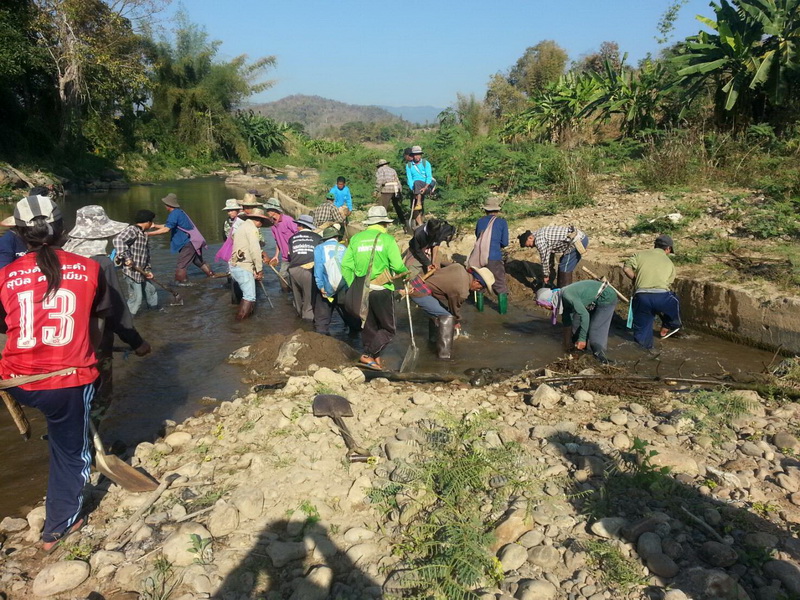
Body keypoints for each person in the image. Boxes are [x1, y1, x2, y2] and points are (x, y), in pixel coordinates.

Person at [0, 195, 113, 552]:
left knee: (57, 417)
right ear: (63, 230)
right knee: (71, 450)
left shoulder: (5, 275)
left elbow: (6, 326)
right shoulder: (90, 268)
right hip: (68, 379)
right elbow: (99, 322)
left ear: (20, 234)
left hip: (17, 380)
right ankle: (59, 526)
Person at [64, 205, 151, 407]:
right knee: (100, 394)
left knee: (68, 393)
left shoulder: (59, 256)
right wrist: (136, 342)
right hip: (92, 340)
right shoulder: (101, 263)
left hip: (61, 339)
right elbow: (115, 310)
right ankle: (89, 426)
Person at [341, 206, 408, 370]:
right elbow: (397, 266)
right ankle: (368, 355)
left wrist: (355, 285)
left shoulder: (356, 239)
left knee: (369, 327)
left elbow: (346, 266)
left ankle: (373, 361)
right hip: (381, 290)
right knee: (388, 329)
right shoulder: (387, 239)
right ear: (384, 223)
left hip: (362, 290)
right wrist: (406, 274)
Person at [408, 264, 494, 359]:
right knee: (447, 317)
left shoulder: (459, 267)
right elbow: (454, 308)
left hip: (417, 283)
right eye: (480, 288)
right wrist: (456, 321)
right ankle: (444, 355)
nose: (478, 290)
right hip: (419, 292)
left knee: (441, 311)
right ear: (477, 281)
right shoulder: (462, 292)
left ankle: (433, 341)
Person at [623, 234, 682, 349]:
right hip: (662, 298)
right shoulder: (669, 263)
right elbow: (668, 283)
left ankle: (643, 351)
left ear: (655, 245)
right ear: (668, 249)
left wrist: (635, 279)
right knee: (675, 302)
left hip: (642, 297)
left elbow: (626, 268)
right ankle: (669, 325)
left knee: (642, 332)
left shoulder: (639, 255)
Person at [150, 193, 214, 284]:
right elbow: (169, 225)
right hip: (194, 241)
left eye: (165, 204)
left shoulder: (174, 214)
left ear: (168, 205)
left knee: (181, 266)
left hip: (188, 243)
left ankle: (182, 285)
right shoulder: (179, 212)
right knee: (198, 261)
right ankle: (211, 275)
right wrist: (155, 226)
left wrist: (148, 234)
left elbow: (166, 229)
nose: (164, 206)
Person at [313, 225, 360, 336]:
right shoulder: (344, 248)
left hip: (327, 286)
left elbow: (318, 268)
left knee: (322, 317)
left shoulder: (319, 248)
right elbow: (350, 268)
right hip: (343, 286)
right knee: (349, 313)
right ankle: (354, 337)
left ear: (325, 238)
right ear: (337, 237)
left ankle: (321, 338)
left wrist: (320, 285)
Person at [559, 279, 618, 364]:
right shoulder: (562, 297)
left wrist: (582, 339)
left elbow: (585, 315)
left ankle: (602, 359)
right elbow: (567, 317)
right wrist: (566, 343)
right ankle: (581, 351)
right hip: (592, 300)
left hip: (606, 297)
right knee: (576, 323)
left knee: (595, 330)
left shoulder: (567, 296)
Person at [113, 210, 159, 316]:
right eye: (151, 222)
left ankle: (154, 313)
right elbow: (118, 240)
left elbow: (146, 254)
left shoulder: (144, 234)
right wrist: (127, 257)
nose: (152, 225)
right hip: (132, 272)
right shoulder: (132, 230)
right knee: (137, 298)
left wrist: (148, 270)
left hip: (142, 271)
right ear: (147, 222)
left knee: (151, 291)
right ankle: (128, 317)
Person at [229, 207, 272, 320]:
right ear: (258, 220)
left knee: (245, 295)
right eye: (261, 222)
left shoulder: (242, 227)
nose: (261, 225)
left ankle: (243, 322)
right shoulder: (252, 229)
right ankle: (240, 322)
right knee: (250, 297)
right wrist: (259, 269)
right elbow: (254, 250)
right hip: (244, 266)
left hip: (235, 265)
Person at [518, 224, 588, 288]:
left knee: (564, 267)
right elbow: (549, 252)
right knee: (563, 263)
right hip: (579, 238)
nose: (531, 247)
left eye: (529, 245)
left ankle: (564, 292)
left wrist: (545, 275)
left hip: (577, 242)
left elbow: (545, 259)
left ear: (530, 238)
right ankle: (560, 289)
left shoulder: (539, 241)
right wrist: (550, 267)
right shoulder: (538, 234)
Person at [472, 196, 509, 314]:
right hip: (494, 257)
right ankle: (503, 314)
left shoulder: (480, 221)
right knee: (500, 285)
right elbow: (505, 242)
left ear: (485, 210)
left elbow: (478, 236)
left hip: (479, 257)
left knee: (479, 284)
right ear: (497, 210)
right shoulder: (502, 222)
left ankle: (479, 312)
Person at [287, 215, 322, 321]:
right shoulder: (318, 238)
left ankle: (298, 317)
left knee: (297, 297)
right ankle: (307, 324)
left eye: (298, 225)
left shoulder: (292, 238)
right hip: (309, 270)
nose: (296, 227)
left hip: (293, 270)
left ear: (301, 226)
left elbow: (290, 255)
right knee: (309, 299)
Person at [263, 198, 298, 287]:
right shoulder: (272, 225)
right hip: (285, 257)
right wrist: (276, 256)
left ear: (275, 210)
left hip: (295, 255)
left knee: (296, 277)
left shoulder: (288, 220)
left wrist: (294, 248)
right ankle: (286, 293)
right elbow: (277, 241)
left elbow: (298, 234)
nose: (267, 212)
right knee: (282, 276)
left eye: (269, 210)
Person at [405, 146, 435, 228]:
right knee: (414, 206)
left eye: (419, 154)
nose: (417, 156)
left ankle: (418, 202)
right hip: (415, 187)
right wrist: (413, 190)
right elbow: (409, 178)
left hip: (426, 185)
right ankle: (420, 224)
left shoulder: (426, 163)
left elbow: (429, 177)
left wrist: (425, 187)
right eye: (415, 155)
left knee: (417, 182)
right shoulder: (409, 165)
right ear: (412, 155)